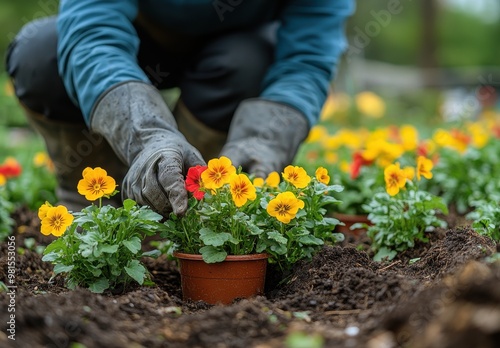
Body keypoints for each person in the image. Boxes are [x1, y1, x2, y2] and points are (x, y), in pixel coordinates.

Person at [5, 0, 354, 217]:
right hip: (130, 38)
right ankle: (101, 200)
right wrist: (148, 136)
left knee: (250, 62)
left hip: (233, 59)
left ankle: (188, 202)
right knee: (41, 54)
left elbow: (306, 61)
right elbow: (91, 33)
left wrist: (265, 140)